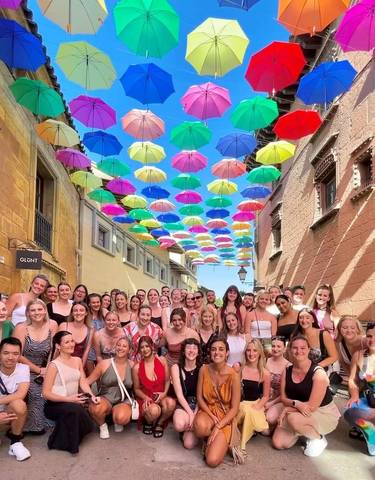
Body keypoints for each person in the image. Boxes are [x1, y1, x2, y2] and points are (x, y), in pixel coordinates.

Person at [272, 335, 340, 457]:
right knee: (278, 443)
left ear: (309, 349)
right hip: (298, 408)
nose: (299, 351)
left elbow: (312, 407)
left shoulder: (318, 373)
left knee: (293, 419)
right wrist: (295, 404)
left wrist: (287, 409)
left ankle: (318, 438)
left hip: (320, 411)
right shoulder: (287, 370)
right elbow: (283, 398)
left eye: (303, 348)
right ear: (290, 350)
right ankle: (301, 431)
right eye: (295, 348)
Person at [43, 331, 98, 454]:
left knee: (87, 423)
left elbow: (83, 382)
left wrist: (92, 396)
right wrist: (69, 399)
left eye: (72, 341)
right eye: (67, 342)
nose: (71, 344)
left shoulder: (77, 360)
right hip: (54, 404)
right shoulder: (53, 365)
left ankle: (59, 437)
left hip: (73, 402)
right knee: (75, 411)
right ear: (58, 346)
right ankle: (70, 446)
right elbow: (46, 393)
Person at [193, 335, 242, 467]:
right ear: (210, 352)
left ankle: (217, 440)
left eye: (221, 349)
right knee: (199, 427)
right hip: (209, 411)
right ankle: (211, 438)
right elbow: (199, 398)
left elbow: (234, 408)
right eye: (214, 349)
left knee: (212, 461)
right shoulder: (204, 369)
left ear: (227, 353)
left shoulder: (234, 376)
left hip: (226, 416)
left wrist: (219, 426)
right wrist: (211, 415)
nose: (217, 352)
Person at [12, 300, 57, 433]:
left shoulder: (52, 325)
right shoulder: (21, 328)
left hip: (47, 367)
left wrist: (48, 369)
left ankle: (49, 419)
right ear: (28, 313)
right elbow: (17, 355)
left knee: (54, 388)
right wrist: (38, 370)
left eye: (39, 309)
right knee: (37, 393)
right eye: (33, 310)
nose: (37, 313)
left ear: (45, 311)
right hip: (24, 369)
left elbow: (54, 351)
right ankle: (31, 425)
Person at [87, 337, 134, 439]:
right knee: (96, 408)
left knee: (122, 418)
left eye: (124, 346)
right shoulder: (104, 364)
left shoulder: (133, 365)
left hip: (123, 400)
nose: (120, 348)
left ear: (130, 350)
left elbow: (138, 387)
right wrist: (89, 396)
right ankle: (103, 426)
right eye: (118, 345)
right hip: (106, 398)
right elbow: (87, 382)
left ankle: (116, 418)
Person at [132, 336, 176, 438]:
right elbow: (136, 389)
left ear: (152, 346)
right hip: (146, 398)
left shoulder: (162, 360)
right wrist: (145, 398)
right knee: (154, 411)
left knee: (171, 403)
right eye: (142, 347)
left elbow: (167, 380)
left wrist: (164, 394)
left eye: (147, 346)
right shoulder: (136, 367)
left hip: (160, 395)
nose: (145, 349)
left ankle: (159, 423)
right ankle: (148, 421)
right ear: (139, 350)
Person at [344, 323, 375, 456]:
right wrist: (354, 395)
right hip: (369, 399)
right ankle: (369, 431)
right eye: (369, 336)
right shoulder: (359, 355)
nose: (372, 340)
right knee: (350, 411)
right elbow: (352, 379)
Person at [0, 337, 31, 461]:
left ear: (20, 355)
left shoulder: (23, 369)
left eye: (15, 354)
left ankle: (15, 442)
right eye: (6, 353)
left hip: (8, 412)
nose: (10, 357)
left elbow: (21, 394)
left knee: (19, 404)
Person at [237, 339, 270, 450]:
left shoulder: (265, 373)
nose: (251, 354)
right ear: (245, 352)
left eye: (255, 350)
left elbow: (265, 396)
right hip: (240, 404)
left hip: (255, 403)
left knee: (264, 430)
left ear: (260, 352)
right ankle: (242, 443)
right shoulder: (239, 369)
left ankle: (249, 428)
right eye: (248, 350)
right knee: (246, 412)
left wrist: (258, 406)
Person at [171, 338, 201, 449]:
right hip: (184, 404)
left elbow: (202, 396)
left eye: (194, 348)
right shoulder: (176, 368)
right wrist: (191, 414)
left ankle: (196, 431)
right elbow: (179, 395)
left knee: (188, 445)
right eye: (188, 348)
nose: (191, 351)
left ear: (198, 352)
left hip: (199, 405)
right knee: (179, 425)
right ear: (183, 351)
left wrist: (196, 412)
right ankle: (186, 428)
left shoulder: (202, 368)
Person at [265, 336, 290, 428]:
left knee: (269, 419)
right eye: (273, 346)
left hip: (278, 400)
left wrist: (271, 403)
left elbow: (287, 392)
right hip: (265, 397)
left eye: (279, 346)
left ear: (284, 349)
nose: (275, 349)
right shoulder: (266, 361)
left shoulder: (288, 366)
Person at [58, 302, 93, 368]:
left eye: (81, 310)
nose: (78, 313)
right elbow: (57, 349)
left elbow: (86, 351)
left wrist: (80, 368)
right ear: (72, 313)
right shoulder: (64, 326)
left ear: (86, 313)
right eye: (75, 310)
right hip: (62, 364)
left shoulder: (90, 330)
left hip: (79, 365)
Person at [336, 315, 366, 382]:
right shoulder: (339, 344)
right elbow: (343, 363)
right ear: (339, 329)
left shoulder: (366, 341)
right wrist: (353, 379)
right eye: (345, 327)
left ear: (357, 329)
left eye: (352, 328)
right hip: (355, 378)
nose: (349, 330)